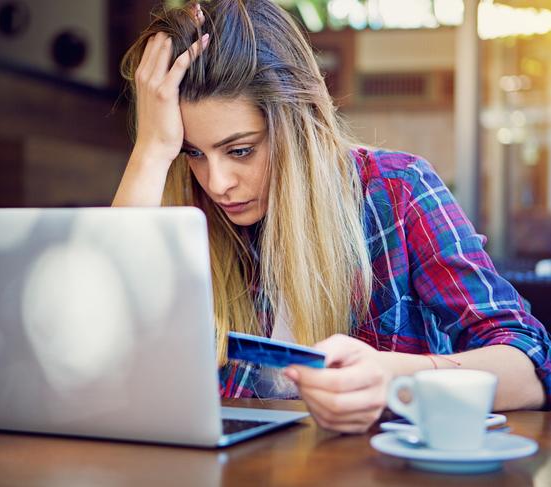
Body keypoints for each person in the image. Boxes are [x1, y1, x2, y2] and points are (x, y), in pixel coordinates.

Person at [112, 0, 551, 433]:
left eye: (241, 150)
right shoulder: (185, 211)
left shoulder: (397, 190)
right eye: (192, 153)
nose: (217, 182)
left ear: (300, 124)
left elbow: (528, 365)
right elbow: (102, 353)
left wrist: (396, 380)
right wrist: (151, 150)